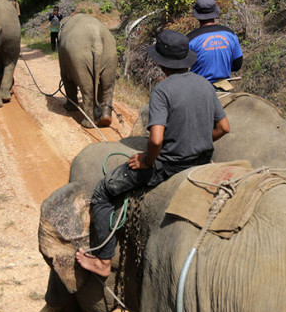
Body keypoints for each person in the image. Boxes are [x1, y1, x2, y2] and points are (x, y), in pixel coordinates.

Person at [77, 29, 231, 277]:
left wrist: (147, 160)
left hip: (169, 166)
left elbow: (156, 139)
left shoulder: (162, 90)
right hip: (202, 161)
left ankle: (103, 260)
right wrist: (197, 140)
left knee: (103, 192)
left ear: (161, 62)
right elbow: (224, 127)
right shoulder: (205, 84)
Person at [186, 0, 243, 86]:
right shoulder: (230, 34)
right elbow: (237, 65)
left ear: (196, 15)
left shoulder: (190, 39)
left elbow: (183, 68)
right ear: (215, 12)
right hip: (224, 86)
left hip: (199, 88)